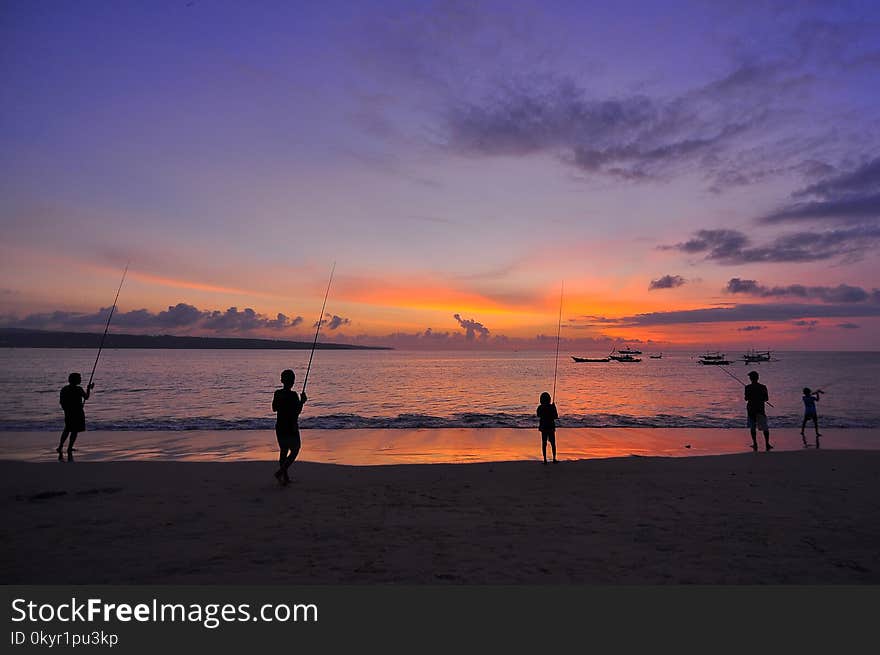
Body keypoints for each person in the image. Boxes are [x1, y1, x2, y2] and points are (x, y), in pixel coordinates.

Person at [272, 369, 307, 485]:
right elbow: (297, 412)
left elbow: (274, 408)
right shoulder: (293, 395)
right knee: (295, 449)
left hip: (280, 426)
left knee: (283, 451)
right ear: (293, 381)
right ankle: (281, 472)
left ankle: (285, 477)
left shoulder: (277, 393)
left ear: (282, 380)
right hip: (291, 427)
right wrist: (302, 402)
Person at [58, 372, 92, 461]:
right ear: (76, 380)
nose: (80, 379)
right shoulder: (79, 389)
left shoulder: (64, 389)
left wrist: (66, 409)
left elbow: (61, 402)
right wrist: (88, 389)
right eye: (79, 378)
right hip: (78, 412)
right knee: (74, 430)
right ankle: (69, 447)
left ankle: (60, 446)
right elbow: (87, 397)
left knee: (67, 429)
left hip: (68, 412)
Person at [744, 370, 772, 452]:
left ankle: (755, 443)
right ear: (758, 378)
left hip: (751, 409)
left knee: (753, 427)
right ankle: (767, 444)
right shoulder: (763, 387)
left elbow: (746, 398)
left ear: (751, 378)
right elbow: (766, 398)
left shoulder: (747, 387)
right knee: (765, 427)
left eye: (750, 377)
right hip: (760, 409)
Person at [536, 391, 558, 464]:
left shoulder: (540, 407)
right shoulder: (551, 407)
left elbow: (538, 415)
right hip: (551, 427)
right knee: (553, 443)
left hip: (543, 427)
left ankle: (545, 459)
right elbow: (555, 416)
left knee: (544, 443)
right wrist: (554, 408)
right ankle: (554, 458)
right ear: (549, 399)